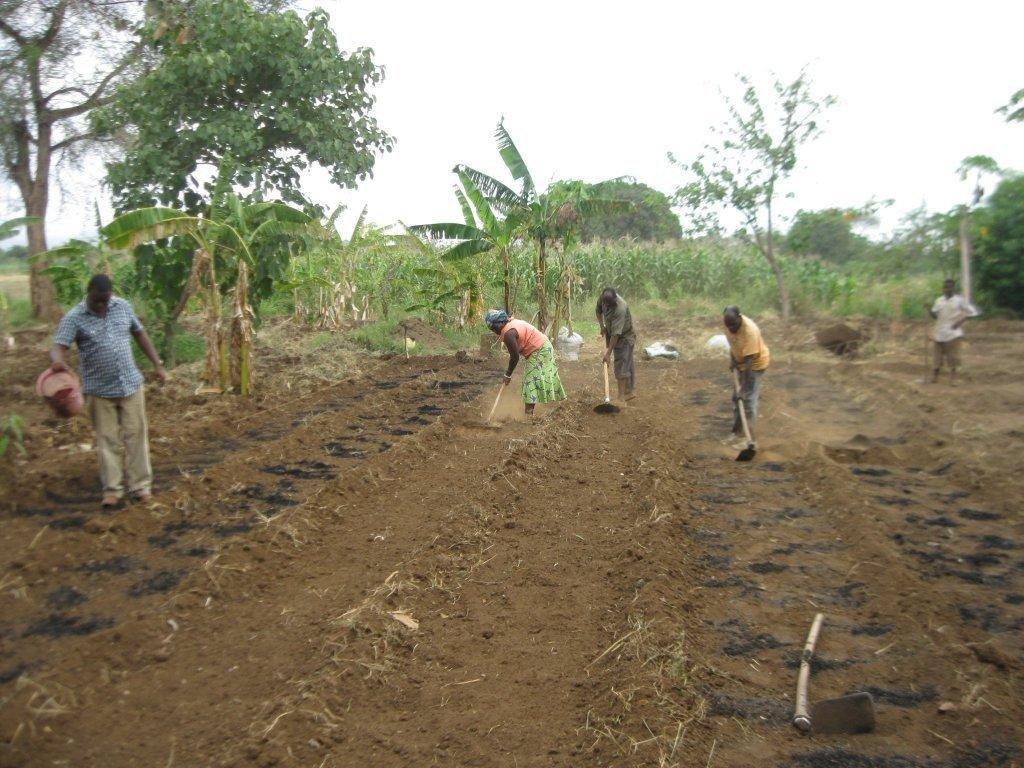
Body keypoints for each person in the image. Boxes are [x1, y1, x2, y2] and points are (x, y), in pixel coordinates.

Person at [50, 275, 167, 509]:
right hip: (99, 390)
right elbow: (58, 346)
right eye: (97, 301)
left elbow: (139, 334)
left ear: (110, 295)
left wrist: (157, 364)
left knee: (136, 437)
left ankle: (140, 487)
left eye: (105, 300)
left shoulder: (122, 306)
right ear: (89, 293)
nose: (102, 305)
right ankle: (112, 490)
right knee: (107, 441)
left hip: (131, 384)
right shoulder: (75, 317)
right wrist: (57, 362)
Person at [485, 309, 566, 415]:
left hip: (540, 350)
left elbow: (515, 357)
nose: (494, 331)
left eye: (494, 328)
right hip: (543, 346)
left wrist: (508, 375)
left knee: (530, 381)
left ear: (500, 322)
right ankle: (553, 408)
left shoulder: (508, 333)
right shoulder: (510, 324)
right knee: (534, 378)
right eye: (492, 329)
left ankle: (528, 416)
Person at [722, 306, 769, 448]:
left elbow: (749, 363)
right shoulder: (729, 323)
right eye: (728, 326)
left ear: (740, 317)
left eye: (734, 325)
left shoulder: (750, 331)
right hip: (742, 363)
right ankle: (736, 433)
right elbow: (733, 344)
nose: (731, 329)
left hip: (754, 365)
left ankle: (749, 439)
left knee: (747, 400)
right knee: (737, 399)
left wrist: (742, 388)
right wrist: (733, 360)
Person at [928, 278, 973, 384]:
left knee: (953, 357)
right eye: (944, 287)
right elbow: (935, 316)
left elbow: (970, 312)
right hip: (939, 332)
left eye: (948, 287)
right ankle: (935, 377)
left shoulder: (959, 300)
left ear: (953, 288)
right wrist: (929, 310)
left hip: (953, 333)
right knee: (936, 357)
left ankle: (953, 378)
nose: (946, 289)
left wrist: (959, 322)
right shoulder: (939, 300)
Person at [595, 288, 636, 401]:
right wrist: (602, 326)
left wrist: (608, 354)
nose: (607, 306)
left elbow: (616, 335)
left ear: (614, 300)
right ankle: (629, 391)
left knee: (621, 362)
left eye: (610, 304)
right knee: (626, 361)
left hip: (624, 336)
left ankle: (622, 396)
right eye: (605, 304)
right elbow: (598, 311)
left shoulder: (620, 307)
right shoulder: (603, 298)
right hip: (611, 331)